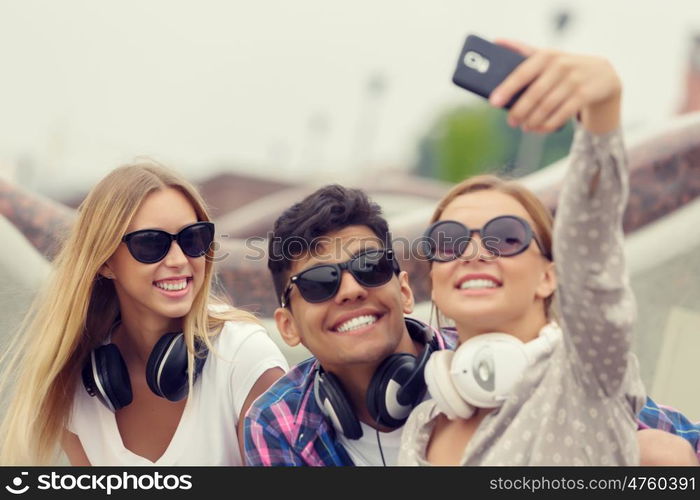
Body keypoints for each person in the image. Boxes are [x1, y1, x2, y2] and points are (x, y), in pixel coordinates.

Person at [398, 40, 699, 465]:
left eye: (505, 236)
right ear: (434, 279)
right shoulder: (424, 424)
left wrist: (602, 113)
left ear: (549, 276)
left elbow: (592, 258)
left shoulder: (586, 375)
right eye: (449, 239)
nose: (474, 251)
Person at [0, 162, 287, 465]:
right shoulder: (76, 386)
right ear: (106, 262)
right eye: (151, 244)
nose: (178, 260)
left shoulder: (244, 359)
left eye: (193, 239)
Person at [243, 185, 457, 466]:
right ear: (289, 326)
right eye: (319, 282)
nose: (351, 290)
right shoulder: (276, 423)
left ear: (404, 292)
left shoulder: (485, 364)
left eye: (370, 266)